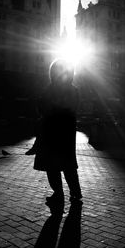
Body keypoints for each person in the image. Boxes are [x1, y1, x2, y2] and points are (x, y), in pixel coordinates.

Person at [33, 59, 82, 208]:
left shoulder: (52, 89)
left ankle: (59, 194)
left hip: (52, 132)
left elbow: (44, 108)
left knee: (53, 166)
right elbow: (71, 109)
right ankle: (74, 192)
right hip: (65, 133)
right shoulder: (72, 90)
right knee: (67, 165)